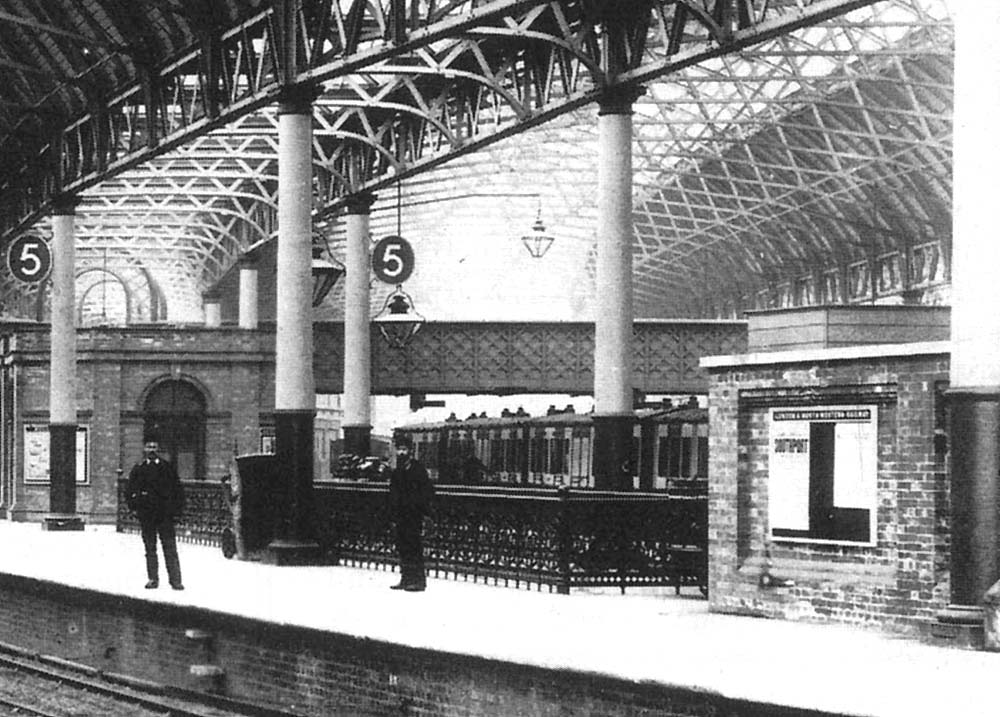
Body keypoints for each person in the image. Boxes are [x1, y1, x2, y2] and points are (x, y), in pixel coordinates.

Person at [125, 438, 185, 590]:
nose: (152, 450)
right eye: (149, 447)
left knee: (170, 547)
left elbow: (177, 490)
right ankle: (153, 578)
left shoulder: (167, 468)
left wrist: (177, 512)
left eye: (154, 447)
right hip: (147, 515)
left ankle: (175, 580)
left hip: (165, 515)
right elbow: (130, 491)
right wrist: (135, 508)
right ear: (144, 449)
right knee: (150, 548)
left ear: (158, 449)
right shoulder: (139, 469)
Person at [388, 434, 434, 591]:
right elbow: (393, 494)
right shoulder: (397, 471)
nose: (401, 453)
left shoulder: (418, 469)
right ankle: (406, 578)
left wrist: (423, 512)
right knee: (403, 547)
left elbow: (426, 492)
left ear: (410, 451)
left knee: (414, 546)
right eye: (399, 449)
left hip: (413, 515)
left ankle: (418, 580)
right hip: (401, 515)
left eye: (404, 449)